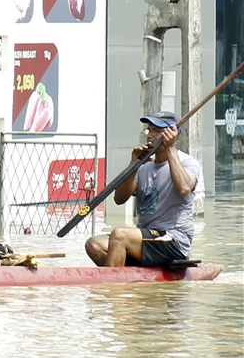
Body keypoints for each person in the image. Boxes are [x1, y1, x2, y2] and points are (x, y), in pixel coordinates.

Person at [85, 111, 201, 267]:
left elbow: (184, 188)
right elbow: (119, 199)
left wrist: (170, 148)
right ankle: (122, 276)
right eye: (149, 130)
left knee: (119, 235)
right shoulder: (145, 166)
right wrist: (134, 165)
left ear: (171, 135)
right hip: (145, 237)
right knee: (94, 244)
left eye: (157, 131)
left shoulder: (188, 163)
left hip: (173, 239)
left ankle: (111, 289)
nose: (150, 135)